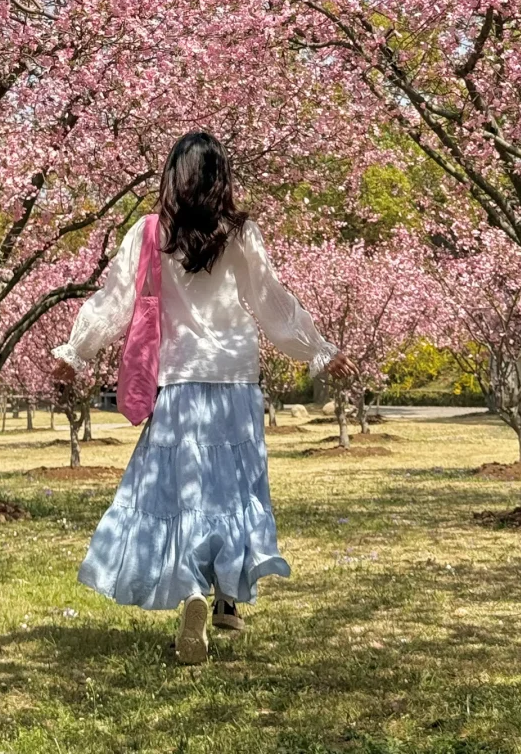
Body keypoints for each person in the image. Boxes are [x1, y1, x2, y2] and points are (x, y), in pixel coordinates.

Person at [52, 130, 355, 664]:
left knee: (180, 490)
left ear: (172, 176)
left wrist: (75, 352)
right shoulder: (240, 233)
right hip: (235, 381)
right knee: (235, 489)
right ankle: (228, 599)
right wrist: (319, 350)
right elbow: (271, 300)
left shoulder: (150, 232)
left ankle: (192, 589)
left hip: (179, 380)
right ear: (221, 180)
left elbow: (115, 300)